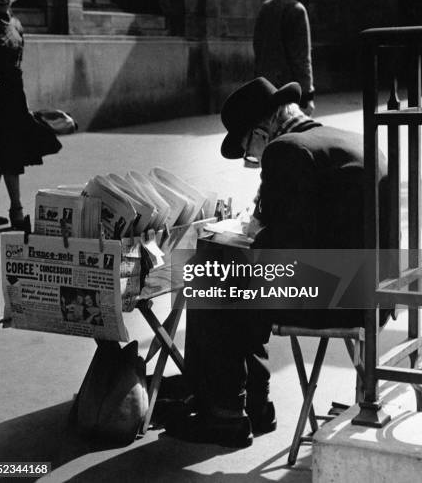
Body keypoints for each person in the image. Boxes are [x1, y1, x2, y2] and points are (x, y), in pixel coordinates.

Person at [167, 77, 390, 448]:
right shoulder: (341, 137)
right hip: (375, 289)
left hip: (340, 299)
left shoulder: (286, 150)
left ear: (261, 131)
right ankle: (254, 404)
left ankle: (225, 414)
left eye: (249, 153)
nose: (253, 163)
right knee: (237, 277)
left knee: (208, 276)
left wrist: (246, 237)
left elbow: (280, 246)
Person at [0, 0, 61, 229]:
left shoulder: (16, 23)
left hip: (14, 94)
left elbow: (18, 61)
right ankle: (16, 211)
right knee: (8, 154)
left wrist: (22, 100)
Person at [253, 0, 315, 115]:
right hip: (289, 92)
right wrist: (307, 96)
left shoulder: (267, 6)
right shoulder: (297, 9)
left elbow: (258, 48)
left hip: (265, 89)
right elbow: (301, 58)